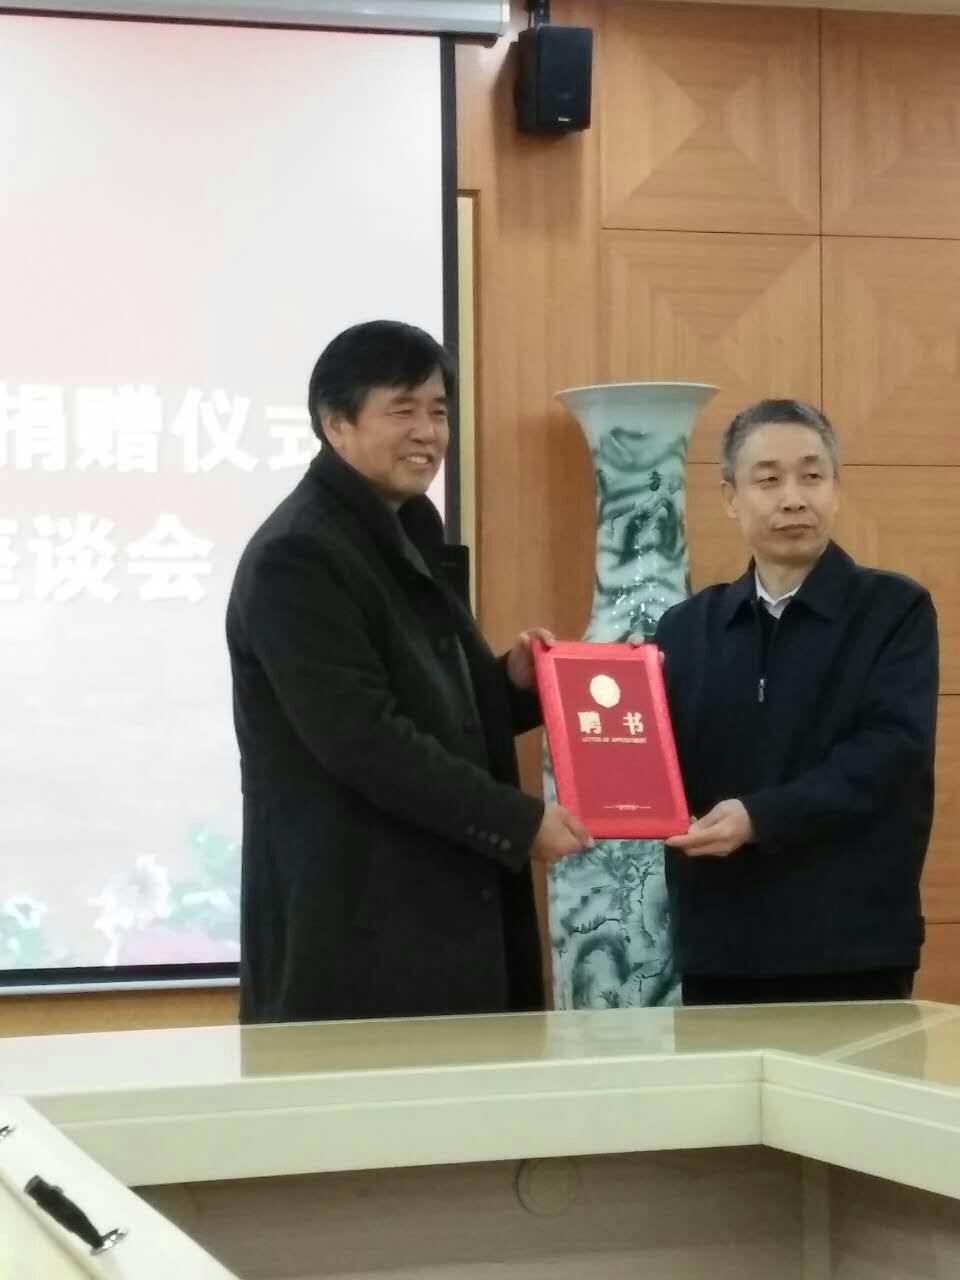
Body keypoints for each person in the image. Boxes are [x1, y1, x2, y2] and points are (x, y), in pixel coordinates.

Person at [226, 320, 591, 1024]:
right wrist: (517, 823)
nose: (428, 432)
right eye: (403, 410)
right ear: (336, 424)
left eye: (439, 411)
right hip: (360, 940)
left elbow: (431, 705)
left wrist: (512, 685)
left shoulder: (409, 532)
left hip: (441, 921)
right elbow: (363, 738)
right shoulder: (298, 554)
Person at [655, 399, 938, 1005]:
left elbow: (890, 755)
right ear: (730, 497)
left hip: (851, 946)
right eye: (768, 480)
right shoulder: (685, 628)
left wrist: (758, 818)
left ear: (835, 488)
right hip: (720, 945)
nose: (793, 499)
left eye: (812, 476)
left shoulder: (895, 611)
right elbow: (655, 760)